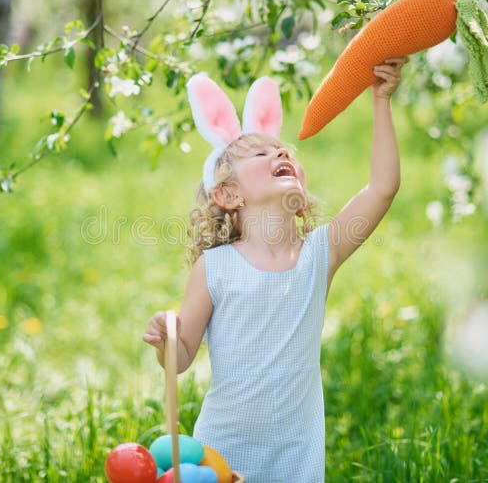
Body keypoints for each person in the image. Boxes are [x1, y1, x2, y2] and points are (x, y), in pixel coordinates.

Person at [143, 57, 408, 482]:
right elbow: (180, 359)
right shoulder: (216, 267)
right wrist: (166, 335)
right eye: (260, 153)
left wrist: (381, 100)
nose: (280, 151)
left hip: (294, 459)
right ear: (228, 194)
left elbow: (383, 187)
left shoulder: (321, 254)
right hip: (222, 452)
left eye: (283, 151)